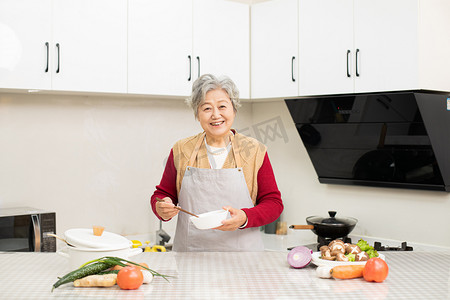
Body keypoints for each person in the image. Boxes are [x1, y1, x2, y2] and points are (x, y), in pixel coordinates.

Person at [150, 74, 283, 252]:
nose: (215, 115)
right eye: (206, 108)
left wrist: (245, 217)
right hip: (191, 257)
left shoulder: (255, 150)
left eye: (222, 106)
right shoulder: (181, 150)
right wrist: (161, 206)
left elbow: (274, 203)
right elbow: (162, 194)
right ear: (197, 114)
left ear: (234, 109)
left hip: (243, 258)